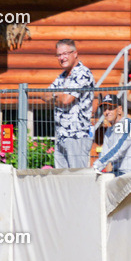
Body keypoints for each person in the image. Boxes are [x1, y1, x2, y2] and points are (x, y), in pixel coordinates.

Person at [40, 39, 95, 169]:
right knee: (62, 179)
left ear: (75, 53)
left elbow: (66, 100)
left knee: (77, 177)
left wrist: (55, 95)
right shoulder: (63, 76)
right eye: (59, 55)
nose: (62, 58)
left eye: (65, 54)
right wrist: (58, 95)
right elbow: (44, 95)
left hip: (77, 135)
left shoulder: (82, 73)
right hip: (61, 135)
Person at [92, 93, 131, 176]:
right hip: (118, 173)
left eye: (110, 108)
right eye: (105, 109)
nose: (107, 112)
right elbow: (104, 153)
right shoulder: (109, 132)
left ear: (119, 110)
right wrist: (96, 168)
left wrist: (98, 164)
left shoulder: (129, 124)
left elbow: (118, 149)